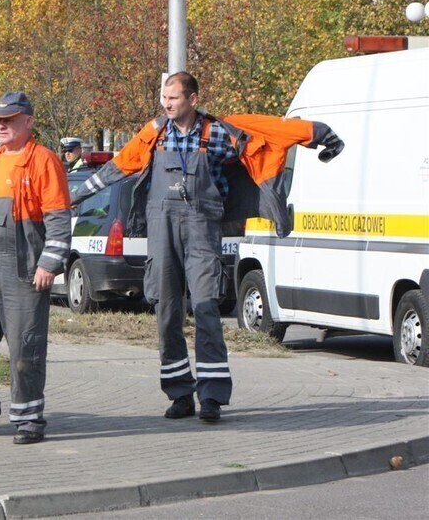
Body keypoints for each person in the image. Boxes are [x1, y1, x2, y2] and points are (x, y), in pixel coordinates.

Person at [71, 72, 344, 423]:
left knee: (205, 310)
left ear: (193, 99)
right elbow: (117, 167)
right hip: (162, 228)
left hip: (203, 229)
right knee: (167, 311)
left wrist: (319, 134)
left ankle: (212, 396)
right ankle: (179, 393)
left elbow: (272, 132)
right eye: (164, 98)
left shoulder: (220, 132)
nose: (167, 104)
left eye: (174, 98)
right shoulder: (154, 134)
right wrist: (75, 196)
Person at [0, 91, 71, 445]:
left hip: (24, 270)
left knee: (25, 349)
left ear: (29, 121)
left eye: (9, 120)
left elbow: (59, 220)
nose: (1, 126)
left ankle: (29, 419)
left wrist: (49, 263)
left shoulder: (43, 161)